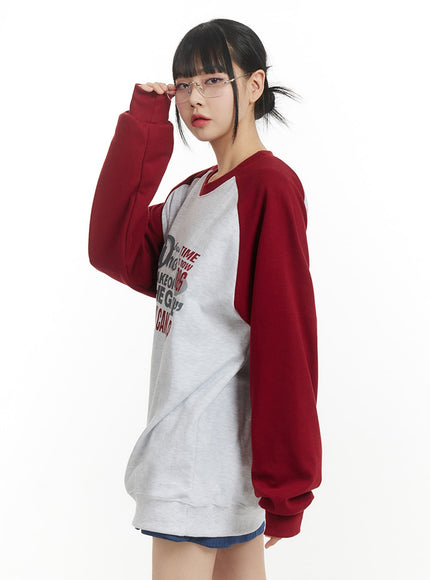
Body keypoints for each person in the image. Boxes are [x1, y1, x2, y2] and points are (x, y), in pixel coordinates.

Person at [88, 18, 322, 580]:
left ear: (255, 84)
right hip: (210, 464)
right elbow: (112, 249)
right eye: (185, 83)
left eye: (214, 80)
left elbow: (286, 340)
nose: (194, 98)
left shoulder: (267, 188)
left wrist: (286, 488)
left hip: (200, 464)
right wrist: (146, 126)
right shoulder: (193, 193)